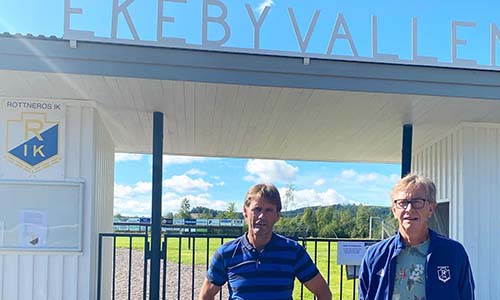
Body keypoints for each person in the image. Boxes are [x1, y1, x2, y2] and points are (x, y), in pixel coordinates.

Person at [198, 183, 332, 300]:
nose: (262, 216)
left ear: (277, 216)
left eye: (268, 210)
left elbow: (324, 293)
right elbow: (205, 295)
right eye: (257, 209)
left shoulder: (293, 251)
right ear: (245, 212)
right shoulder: (226, 253)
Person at [358, 173, 475, 300]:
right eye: (402, 203)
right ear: (394, 211)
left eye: (417, 202)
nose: (409, 209)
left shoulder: (453, 253)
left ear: (431, 209)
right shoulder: (375, 256)